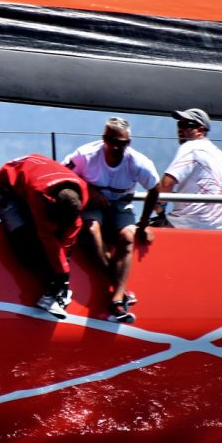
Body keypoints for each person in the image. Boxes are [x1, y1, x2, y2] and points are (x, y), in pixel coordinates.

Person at [64, 117, 160, 324]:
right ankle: (119, 292)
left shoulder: (138, 163)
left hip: (120, 203)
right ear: (104, 139)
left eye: (121, 143)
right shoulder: (85, 155)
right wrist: (89, 190)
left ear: (128, 143)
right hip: (91, 201)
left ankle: (116, 298)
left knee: (127, 237)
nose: (115, 147)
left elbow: (154, 189)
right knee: (90, 229)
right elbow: (64, 174)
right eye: (111, 141)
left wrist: (144, 224)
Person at [0, 154, 88, 319]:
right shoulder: (40, 194)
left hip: (35, 184)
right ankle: (50, 290)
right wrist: (61, 274)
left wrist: (64, 275)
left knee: (57, 248)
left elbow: (68, 238)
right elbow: (47, 237)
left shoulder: (82, 195)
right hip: (6, 190)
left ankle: (54, 292)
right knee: (24, 239)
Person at [156, 108, 222, 230]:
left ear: (200, 130)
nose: (180, 129)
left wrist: (159, 208)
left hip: (190, 223)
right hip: (220, 226)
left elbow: (166, 184)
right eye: (179, 124)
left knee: (137, 232)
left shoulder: (191, 146)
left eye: (187, 125)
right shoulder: (218, 153)